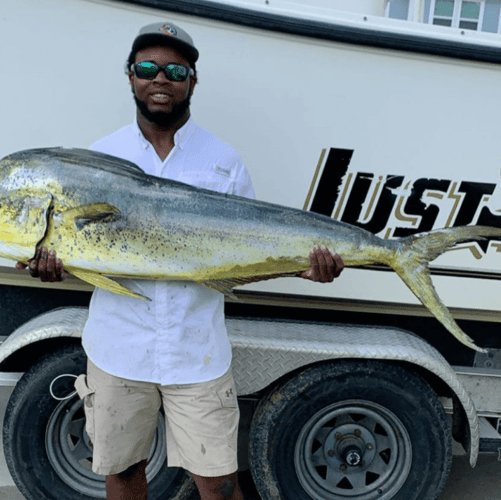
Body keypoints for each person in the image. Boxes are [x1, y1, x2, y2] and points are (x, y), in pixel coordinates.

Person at [17, 21, 344, 500]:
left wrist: (303, 265)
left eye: (175, 69)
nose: (160, 78)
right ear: (130, 77)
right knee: (124, 471)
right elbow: (76, 250)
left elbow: (245, 260)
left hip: (198, 353)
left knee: (219, 482)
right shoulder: (98, 159)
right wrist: (50, 265)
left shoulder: (224, 161)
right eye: (147, 67)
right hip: (118, 351)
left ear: (192, 80)